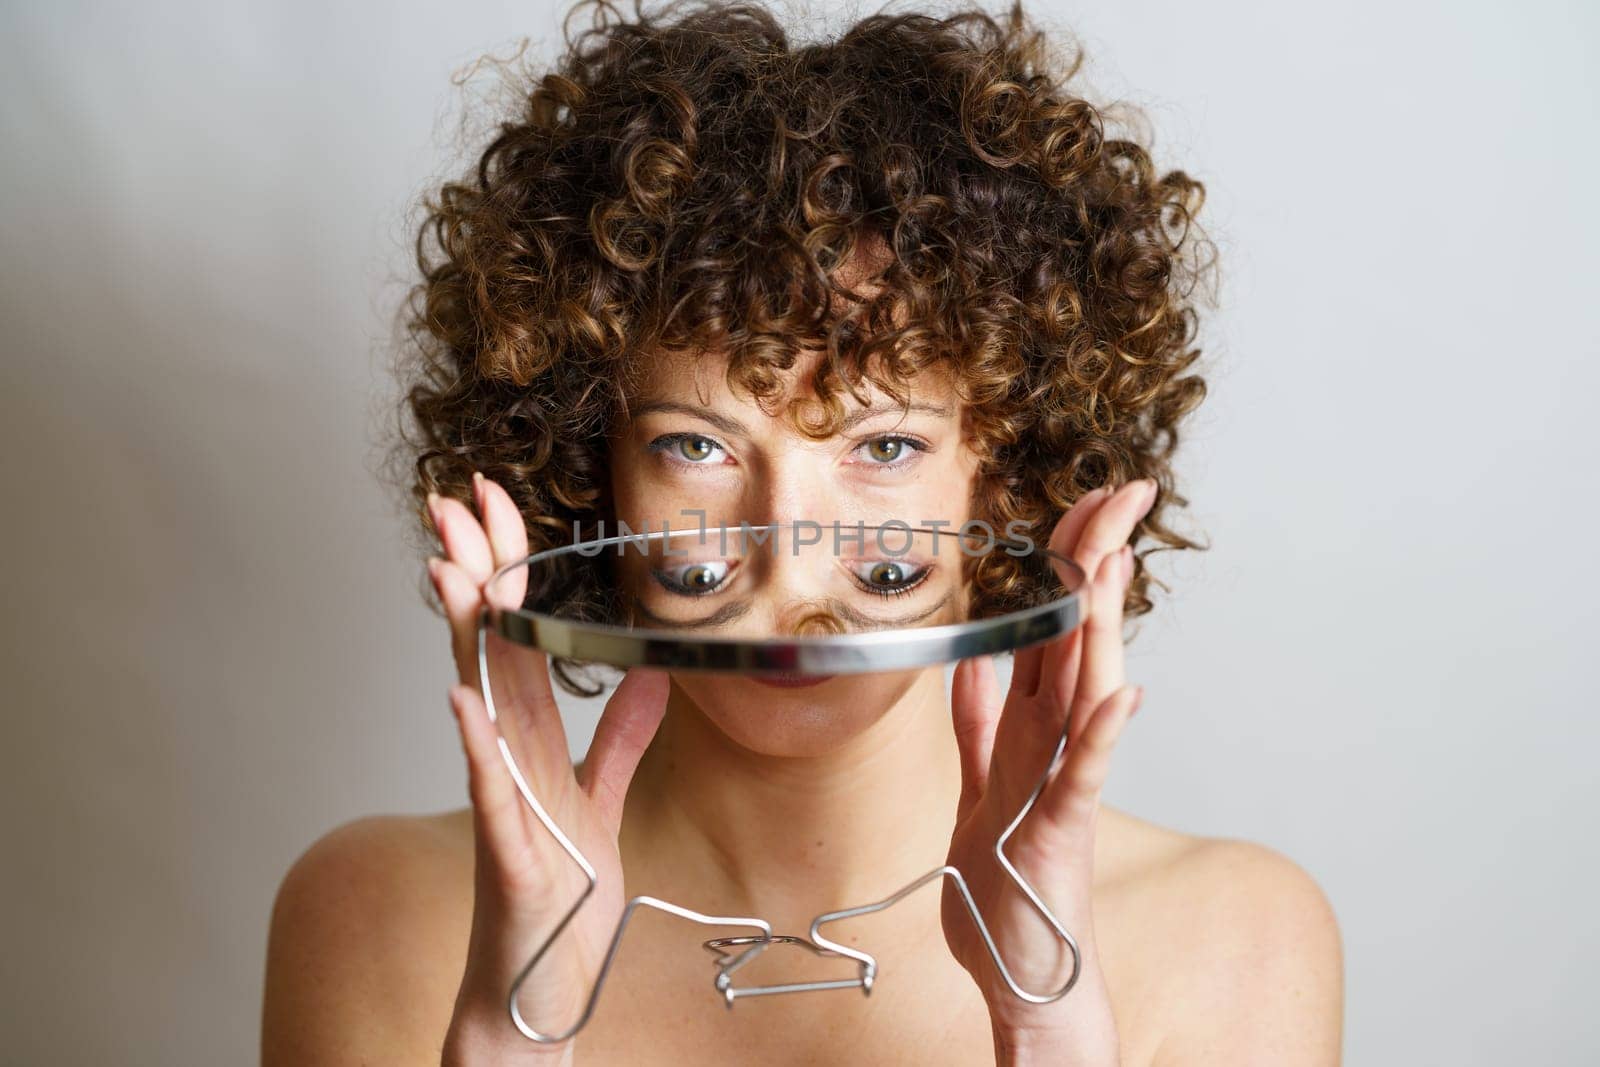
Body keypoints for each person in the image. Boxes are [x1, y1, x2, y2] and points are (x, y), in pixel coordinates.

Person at [262, 1, 1343, 1062]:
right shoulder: (377, 918)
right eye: (696, 445)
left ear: (1002, 474)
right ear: (593, 466)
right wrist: (510, 1028)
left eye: (881, 448)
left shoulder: (1235, 939)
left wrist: (1046, 1019)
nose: (788, 560)